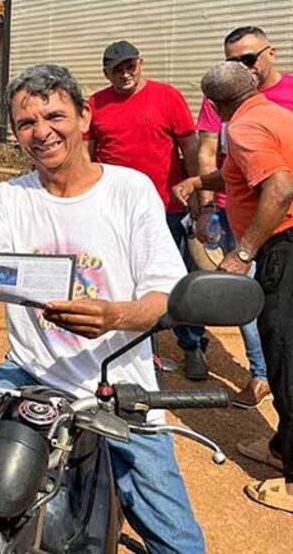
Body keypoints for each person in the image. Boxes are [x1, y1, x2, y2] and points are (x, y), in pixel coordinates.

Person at [0, 64, 205, 553]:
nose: (41, 132)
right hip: (27, 373)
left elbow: (166, 300)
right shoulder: (8, 197)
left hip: (119, 389)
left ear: (85, 117)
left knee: (178, 541)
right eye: (26, 123)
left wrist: (113, 317)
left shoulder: (130, 192)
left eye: (54, 115)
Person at [174, 61, 293, 520]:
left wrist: (243, 253)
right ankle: (282, 447)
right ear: (251, 84)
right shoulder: (272, 114)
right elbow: (241, 172)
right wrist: (200, 180)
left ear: (213, 105)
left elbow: (280, 188)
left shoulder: (247, 128)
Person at [190, 25, 293, 428]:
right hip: (243, 218)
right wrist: (203, 197)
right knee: (253, 309)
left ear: (270, 53)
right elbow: (213, 155)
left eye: (248, 58)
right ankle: (262, 377)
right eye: (233, 61)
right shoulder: (226, 98)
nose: (243, 67)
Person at [84, 41, 209, 381]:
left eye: (130, 66)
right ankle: (143, 351)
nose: (125, 74)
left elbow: (190, 147)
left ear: (140, 64)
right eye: (116, 69)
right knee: (123, 280)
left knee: (178, 279)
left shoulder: (167, 97)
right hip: (113, 211)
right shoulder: (96, 104)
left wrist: (198, 193)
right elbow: (88, 154)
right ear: (105, 73)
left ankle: (192, 343)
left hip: (165, 208)